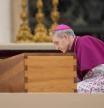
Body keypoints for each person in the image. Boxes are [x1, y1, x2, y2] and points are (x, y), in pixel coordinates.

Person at [50, 24, 104, 93]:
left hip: (101, 79)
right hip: (94, 80)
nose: (56, 48)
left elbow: (98, 72)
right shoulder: (75, 48)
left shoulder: (84, 41)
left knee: (72, 89)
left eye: (57, 43)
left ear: (65, 37)